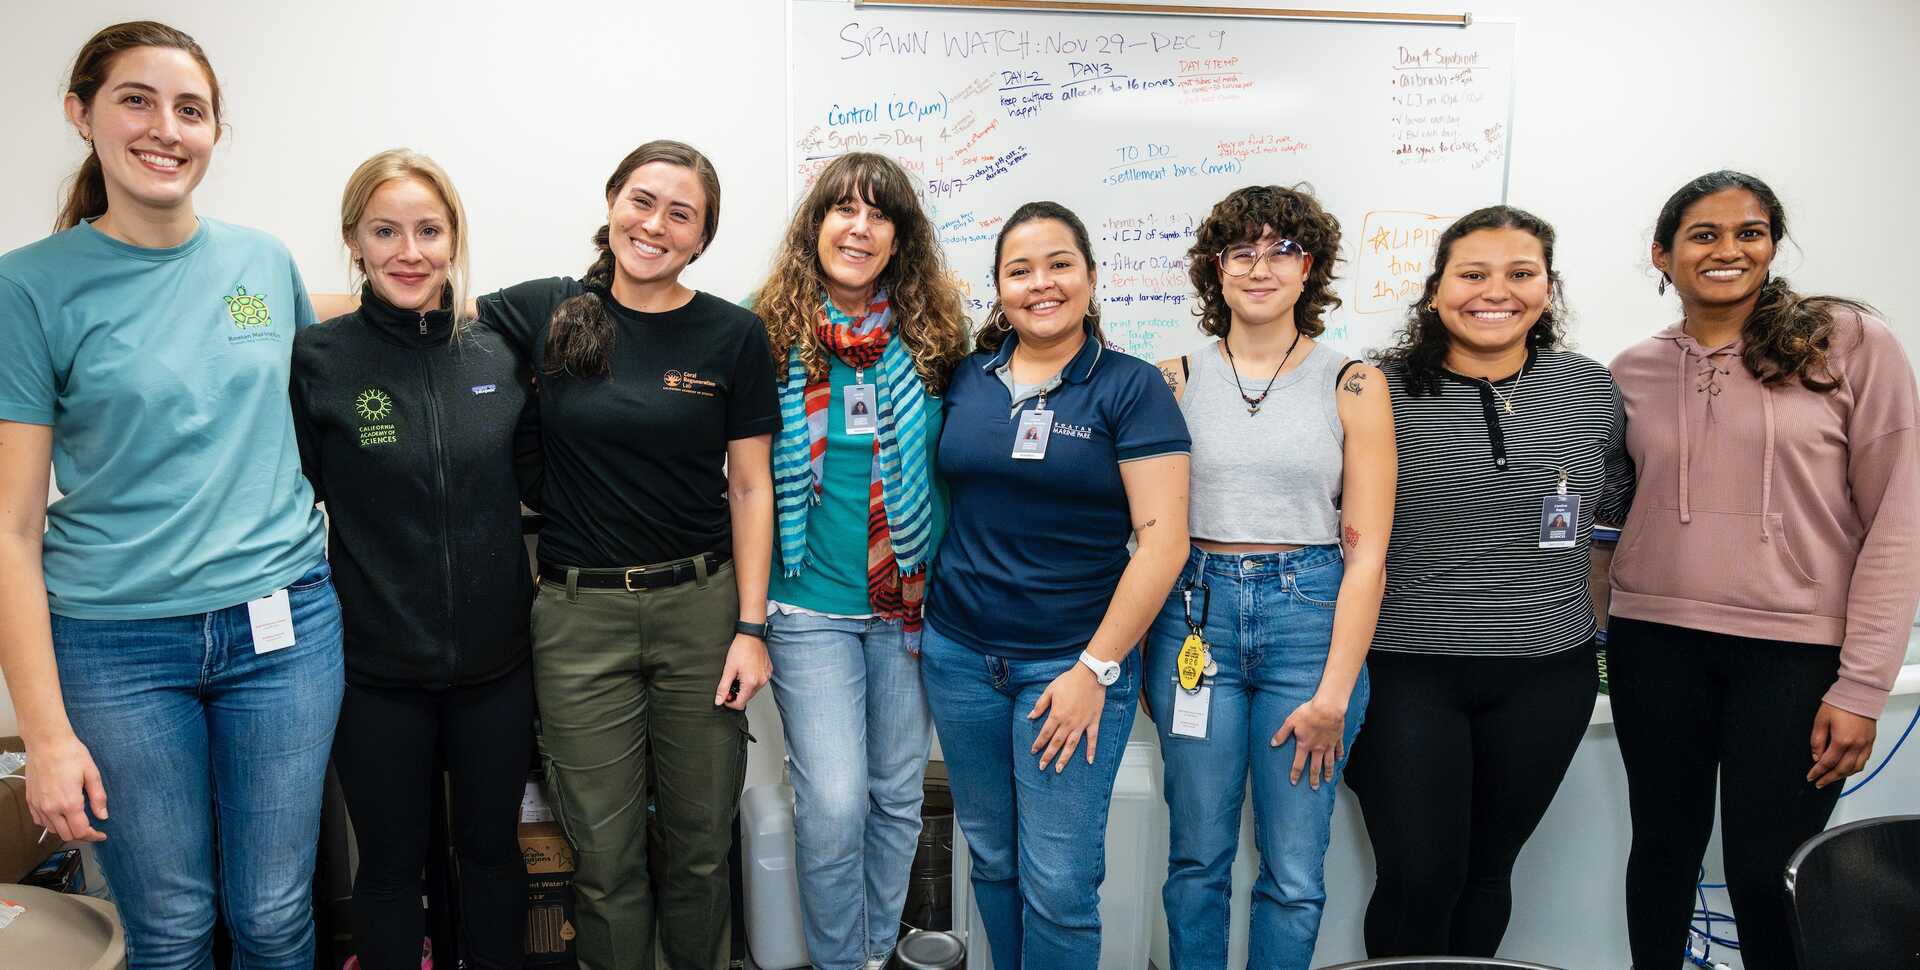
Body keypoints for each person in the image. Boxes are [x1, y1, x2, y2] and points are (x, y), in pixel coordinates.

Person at [0, 22, 341, 970]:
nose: (166, 128)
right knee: (174, 928)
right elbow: (10, 527)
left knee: (276, 917)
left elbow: (327, 420)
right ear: (83, 116)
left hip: (283, 633)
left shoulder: (263, 264)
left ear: (214, 132)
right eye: (135, 100)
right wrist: (46, 735)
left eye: (190, 109)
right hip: (116, 648)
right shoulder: (27, 289)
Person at [476, 139, 778, 970]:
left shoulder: (732, 335)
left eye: (681, 214)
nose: (655, 225)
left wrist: (751, 626)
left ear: (702, 237)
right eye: (642, 201)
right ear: (612, 201)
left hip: (701, 614)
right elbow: (419, 308)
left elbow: (752, 489)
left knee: (699, 849)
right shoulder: (544, 309)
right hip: (579, 622)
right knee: (603, 863)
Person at [1607, 170, 1920, 970]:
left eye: (1749, 232)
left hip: (1793, 657)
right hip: (1655, 643)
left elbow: (1899, 522)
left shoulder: (1847, 343)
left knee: (1765, 872)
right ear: (1662, 255)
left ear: (1773, 247)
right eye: (1703, 235)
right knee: (1662, 857)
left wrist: (1862, 685)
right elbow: (1609, 522)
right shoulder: (1631, 371)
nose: (1727, 249)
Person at [1343, 205, 1635, 957]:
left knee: (1487, 873)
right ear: (1436, 289)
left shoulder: (1591, 389)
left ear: (1548, 287)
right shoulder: (1371, 388)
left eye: (1520, 274)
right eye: (1472, 274)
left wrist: (1596, 637)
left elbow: (1606, 528)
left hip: (1546, 678)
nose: (1494, 292)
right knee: (1419, 875)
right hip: (1406, 672)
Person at [923, 200, 1191, 970]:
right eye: (1020, 270)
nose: (1041, 284)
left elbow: (1163, 542)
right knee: (995, 861)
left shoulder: (1130, 387)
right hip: (959, 657)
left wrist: (1095, 671)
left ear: (1091, 276)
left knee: (1061, 881)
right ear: (999, 287)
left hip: (1069, 666)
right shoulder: (966, 378)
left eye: (1059, 264)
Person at [291, 149, 538, 970]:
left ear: (455, 238)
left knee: (494, 857)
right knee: (390, 871)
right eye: (385, 231)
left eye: (429, 231)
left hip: (497, 669)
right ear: (354, 241)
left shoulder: (498, 353)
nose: (410, 251)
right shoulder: (320, 361)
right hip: (374, 674)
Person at [1147, 185, 1394, 970]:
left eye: (1281, 250)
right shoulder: (1171, 380)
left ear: (1308, 267)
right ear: (1215, 270)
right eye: (1241, 252)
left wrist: (1332, 695)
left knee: (1292, 869)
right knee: (1197, 858)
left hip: (1308, 618)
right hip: (1196, 615)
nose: (1261, 268)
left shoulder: (1353, 383)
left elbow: (1369, 557)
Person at [754, 152, 968, 970]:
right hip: (807, 605)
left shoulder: (938, 340)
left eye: (879, 214)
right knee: (835, 804)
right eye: (842, 209)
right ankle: (842, 962)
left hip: (910, 608)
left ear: (898, 237)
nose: (859, 226)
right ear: (815, 227)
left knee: (897, 798)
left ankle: (877, 954)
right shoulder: (762, 332)